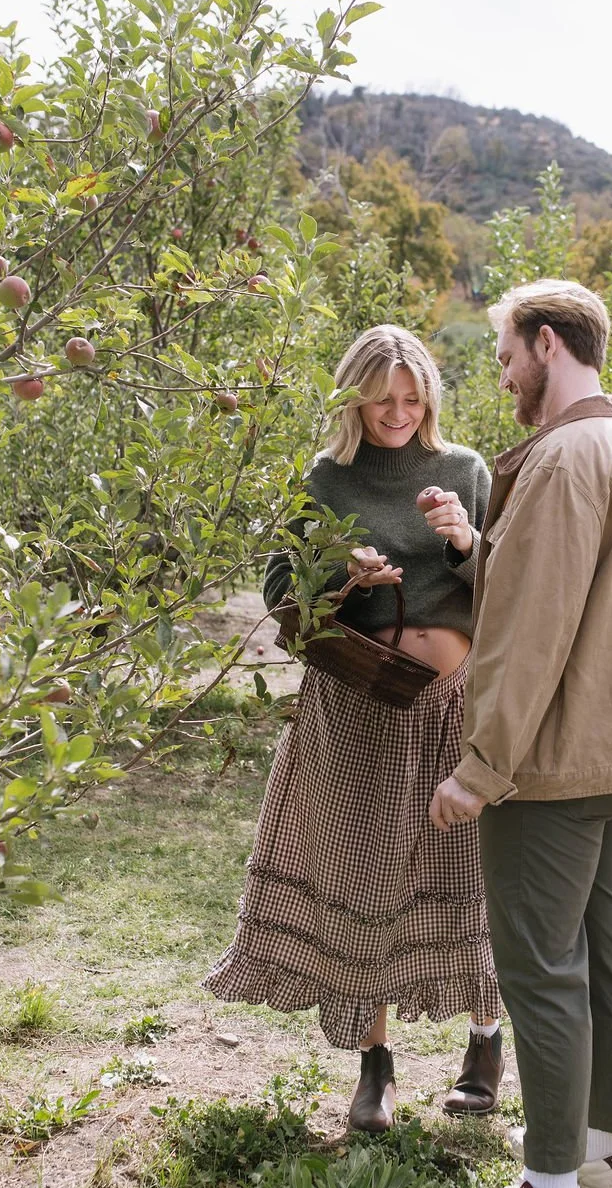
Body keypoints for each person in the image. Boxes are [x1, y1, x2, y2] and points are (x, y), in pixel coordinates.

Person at [430, 280, 612, 1188]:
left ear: (547, 343)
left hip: (549, 759)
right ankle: (593, 1156)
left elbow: (530, 631)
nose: (501, 377)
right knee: (610, 949)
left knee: (541, 970)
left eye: (505, 356)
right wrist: (474, 549)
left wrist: (482, 766)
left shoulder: (561, 460)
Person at [205, 325, 504, 1131]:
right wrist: (345, 573)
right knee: (359, 873)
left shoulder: (465, 471)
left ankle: (485, 1040)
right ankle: (375, 1066)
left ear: (430, 398)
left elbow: (511, 585)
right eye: (383, 399)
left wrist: (466, 543)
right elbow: (277, 588)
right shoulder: (325, 480)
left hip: (449, 709)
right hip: (354, 709)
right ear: (356, 397)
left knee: (465, 870)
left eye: (413, 399)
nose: (399, 413)